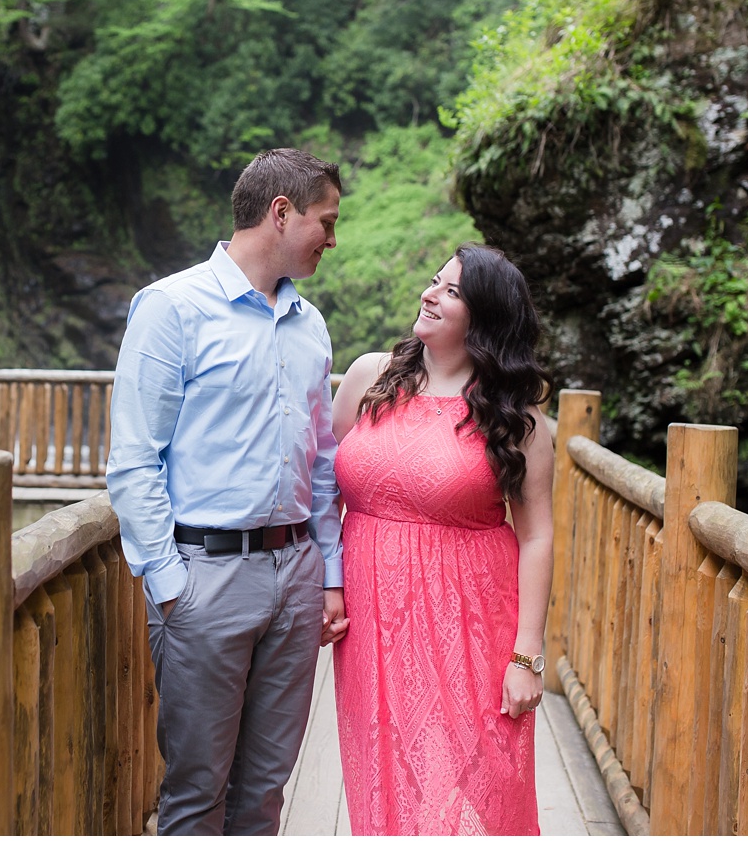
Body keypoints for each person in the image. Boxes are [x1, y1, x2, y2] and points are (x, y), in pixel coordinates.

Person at [108, 148, 350, 836]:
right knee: (194, 793)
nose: (331, 240)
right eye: (325, 222)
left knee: (264, 793)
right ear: (282, 212)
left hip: (296, 573)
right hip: (204, 575)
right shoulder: (170, 308)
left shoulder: (311, 325)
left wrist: (328, 574)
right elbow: (134, 459)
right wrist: (168, 581)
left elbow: (322, 461)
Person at [329, 243, 554, 835]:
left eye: (452, 291)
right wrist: (327, 585)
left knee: (477, 785)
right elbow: (323, 491)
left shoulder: (515, 419)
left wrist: (526, 658)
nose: (430, 294)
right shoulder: (368, 377)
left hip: (472, 621)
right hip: (374, 618)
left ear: (484, 318)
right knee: (385, 772)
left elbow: (537, 538)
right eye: (434, 282)